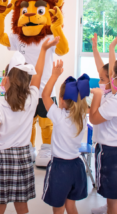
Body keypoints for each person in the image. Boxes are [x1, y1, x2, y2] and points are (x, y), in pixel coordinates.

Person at [0, 37, 59, 214]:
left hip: (1, 159)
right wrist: (44, 50)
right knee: (22, 206)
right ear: (27, 82)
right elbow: (38, 75)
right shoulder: (32, 98)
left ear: (4, 82)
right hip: (23, 157)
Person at [41, 60, 88, 214]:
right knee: (71, 206)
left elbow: (45, 95)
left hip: (60, 169)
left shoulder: (59, 115)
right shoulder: (82, 117)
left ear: (61, 100)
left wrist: (54, 75)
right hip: (77, 167)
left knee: (58, 208)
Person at [89, 37, 117, 214]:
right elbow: (107, 69)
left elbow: (94, 119)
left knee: (110, 186)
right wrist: (105, 48)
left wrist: (97, 96)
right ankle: (109, 206)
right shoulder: (112, 93)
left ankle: (111, 209)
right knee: (112, 186)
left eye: (103, 79)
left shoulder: (112, 99)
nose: (100, 81)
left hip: (109, 149)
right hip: (111, 147)